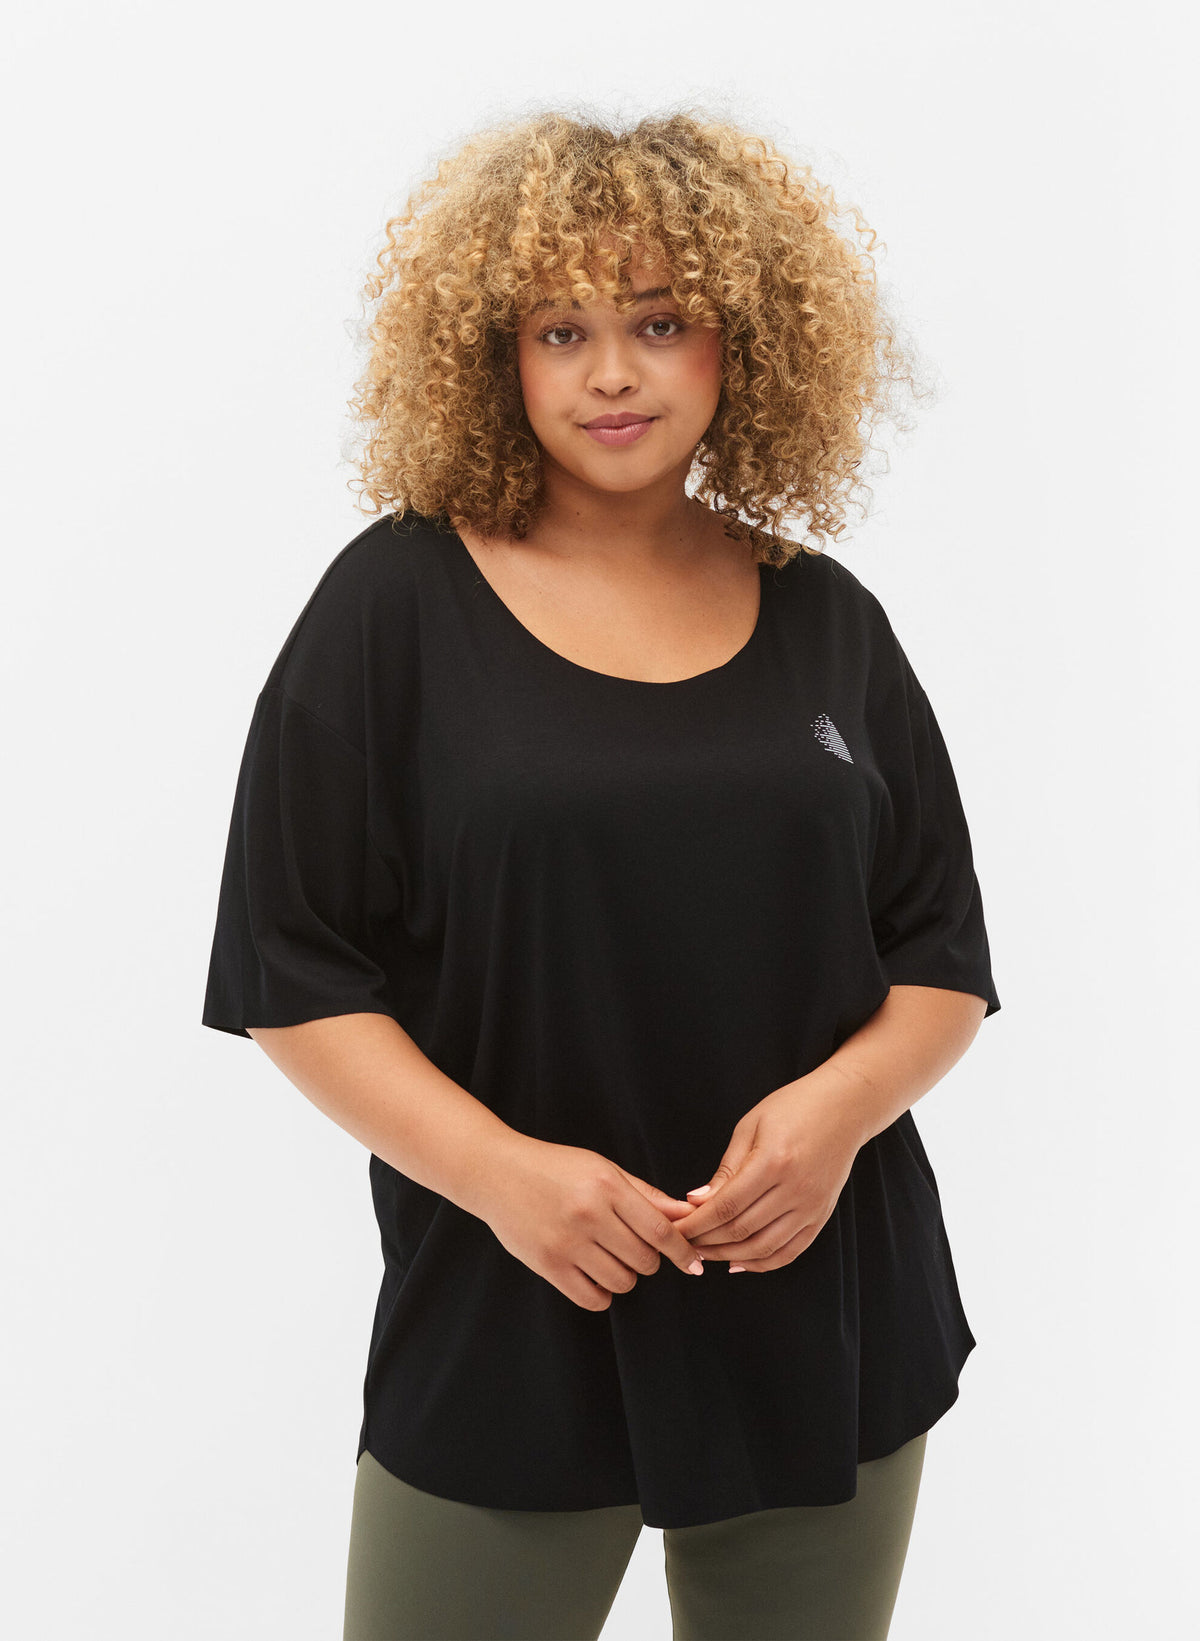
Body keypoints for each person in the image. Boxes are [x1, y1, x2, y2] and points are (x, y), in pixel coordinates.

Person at [201, 107, 1001, 1641]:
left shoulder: (828, 619)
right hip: (512, 1295)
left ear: (742, 339)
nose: (613, 373)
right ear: (493, 356)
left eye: (658, 322)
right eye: (561, 331)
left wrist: (836, 1119)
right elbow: (293, 971)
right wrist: (508, 1179)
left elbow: (940, 951)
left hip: (823, 1294)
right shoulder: (393, 607)